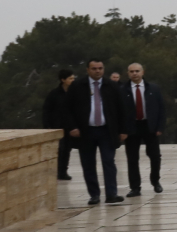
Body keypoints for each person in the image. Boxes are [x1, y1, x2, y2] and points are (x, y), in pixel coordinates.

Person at [62, 59, 130, 205]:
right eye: (94, 68)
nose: (97, 71)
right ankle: (94, 195)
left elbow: (122, 108)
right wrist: (72, 127)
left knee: (108, 162)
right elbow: (67, 109)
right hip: (86, 132)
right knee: (88, 164)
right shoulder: (77, 86)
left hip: (107, 131)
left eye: (100, 68)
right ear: (87, 70)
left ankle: (111, 194)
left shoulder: (111, 85)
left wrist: (123, 130)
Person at [122, 63, 168, 195]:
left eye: (137, 71)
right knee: (132, 158)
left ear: (143, 72)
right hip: (132, 127)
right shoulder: (122, 90)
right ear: (128, 73)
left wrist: (160, 127)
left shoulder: (153, 88)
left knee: (155, 156)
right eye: (131, 71)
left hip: (149, 126)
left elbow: (161, 109)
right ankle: (135, 187)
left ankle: (155, 181)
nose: (134, 73)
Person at [43, 70, 75, 180]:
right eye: (70, 78)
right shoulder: (54, 94)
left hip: (69, 127)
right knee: (59, 149)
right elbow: (46, 110)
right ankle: (56, 171)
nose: (73, 80)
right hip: (57, 126)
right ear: (63, 80)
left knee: (67, 149)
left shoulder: (73, 93)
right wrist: (47, 126)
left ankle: (63, 172)